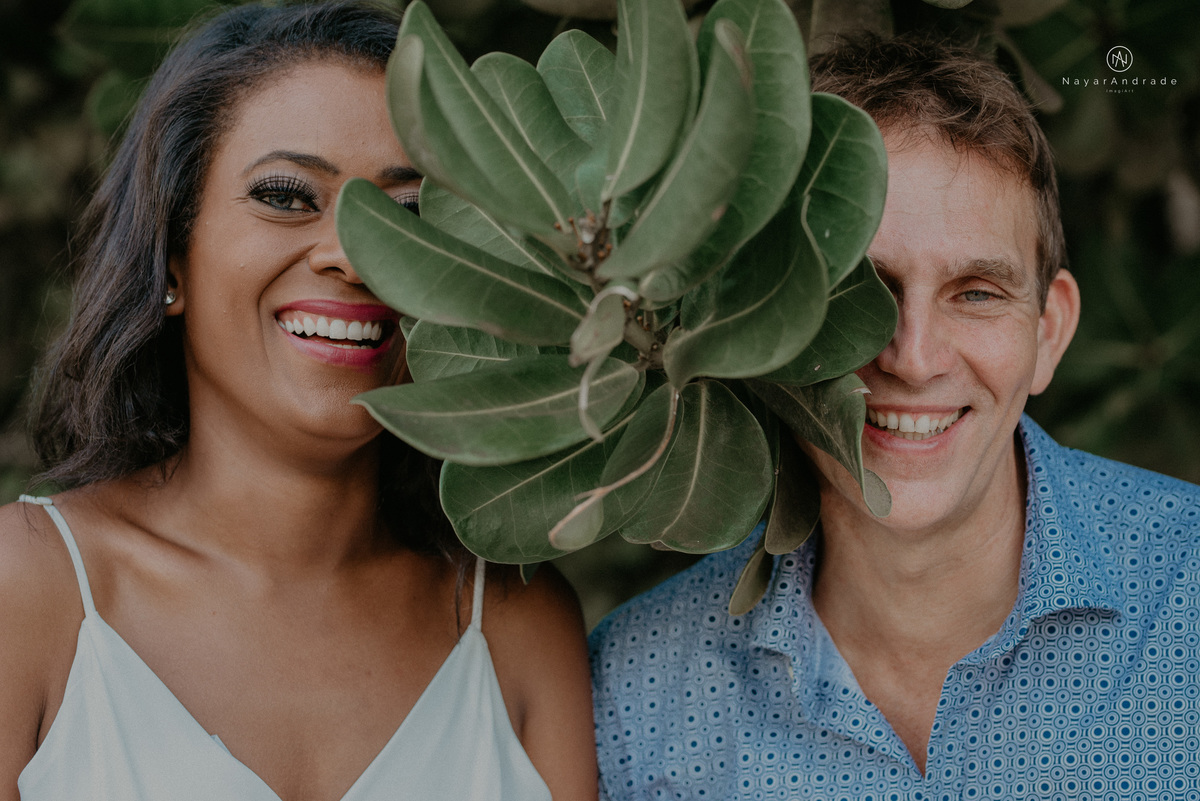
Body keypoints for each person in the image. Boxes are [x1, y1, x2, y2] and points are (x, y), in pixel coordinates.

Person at [0, 3, 598, 799]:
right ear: (172, 257)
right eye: (287, 196)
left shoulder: (515, 621)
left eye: (410, 212)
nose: (354, 254)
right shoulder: (27, 586)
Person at [590, 34, 1200, 800]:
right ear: (759, 323)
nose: (912, 358)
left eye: (975, 293)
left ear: (1048, 333)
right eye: (858, 290)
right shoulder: (638, 692)